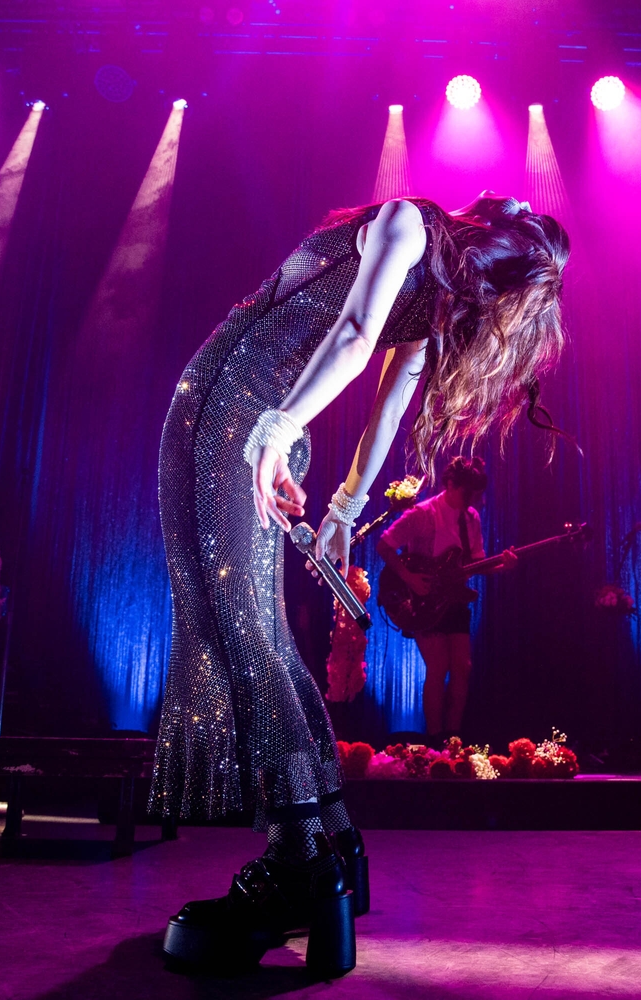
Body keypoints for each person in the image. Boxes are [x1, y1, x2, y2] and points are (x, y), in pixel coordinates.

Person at [151, 194, 568, 974]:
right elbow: (386, 388)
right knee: (252, 627)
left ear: (487, 228)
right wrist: (342, 503)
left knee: (233, 626)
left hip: (230, 415)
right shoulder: (435, 290)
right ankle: (330, 846)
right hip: (264, 423)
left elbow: (353, 339)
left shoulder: (411, 221)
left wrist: (279, 433)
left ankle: (299, 861)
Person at [375, 456, 517, 738]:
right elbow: (384, 545)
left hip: (454, 600)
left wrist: (503, 565)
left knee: (462, 668)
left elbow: (478, 562)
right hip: (423, 601)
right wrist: (410, 578)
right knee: (438, 667)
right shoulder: (422, 513)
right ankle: (434, 740)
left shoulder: (471, 518)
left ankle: (453, 738)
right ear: (451, 485)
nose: (474, 499)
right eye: (469, 492)